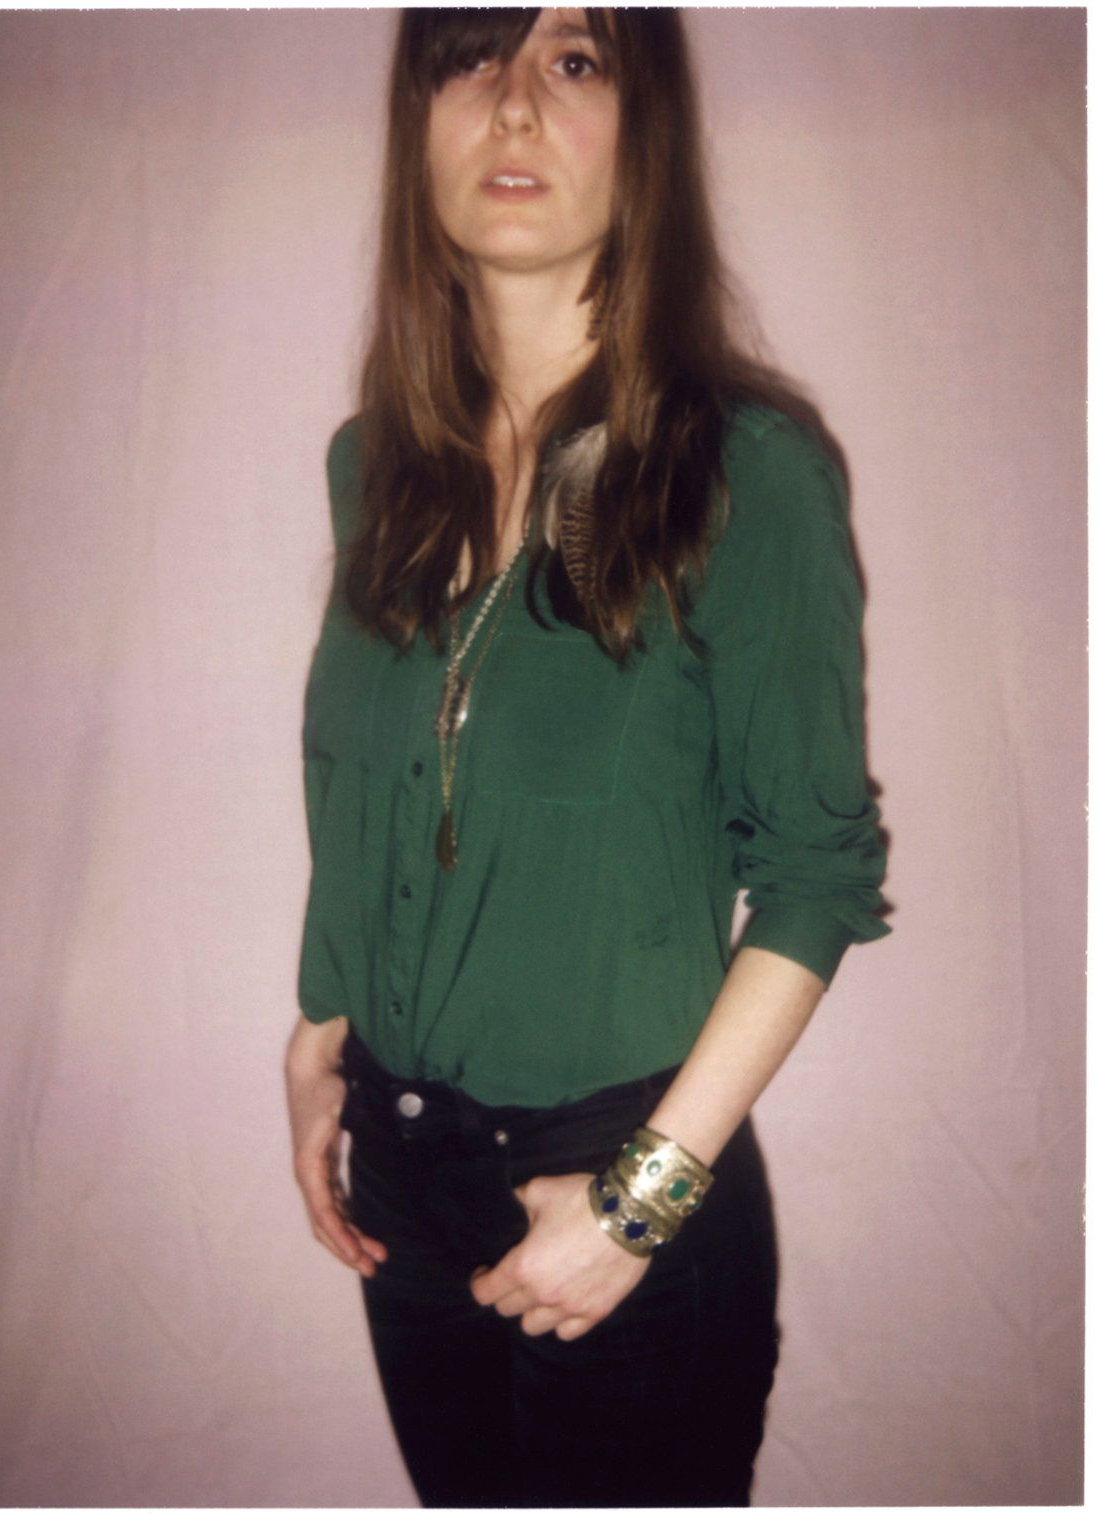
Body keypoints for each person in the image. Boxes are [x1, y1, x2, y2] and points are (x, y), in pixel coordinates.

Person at [285, 8, 889, 1507]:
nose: (509, 105)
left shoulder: (744, 473)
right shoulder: (377, 470)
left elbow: (816, 878)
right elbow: (370, 785)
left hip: (616, 1181)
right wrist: (321, 1033)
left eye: (571, 61)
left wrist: (638, 1205)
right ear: (416, 120)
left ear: (644, 133)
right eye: (469, 56)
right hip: (401, 1171)